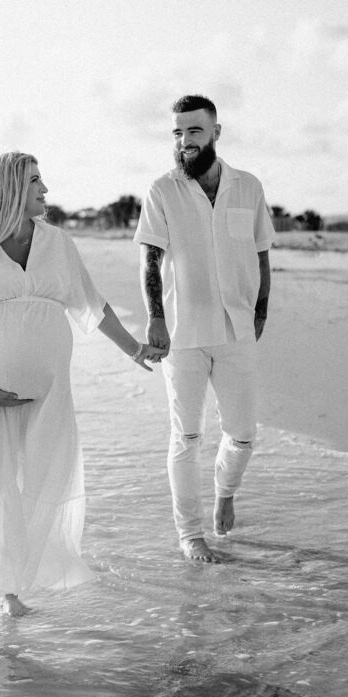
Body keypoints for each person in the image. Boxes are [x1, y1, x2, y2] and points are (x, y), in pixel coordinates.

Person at [0, 151, 163, 661]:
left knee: (31, 486)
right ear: (12, 187)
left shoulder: (57, 243)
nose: (46, 188)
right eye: (36, 180)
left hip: (47, 392)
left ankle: (11, 591)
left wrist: (133, 350)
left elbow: (90, 305)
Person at [134, 94, 274, 564]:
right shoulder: (162, 190)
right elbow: (150, 258)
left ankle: (226, 491)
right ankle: (190, 535)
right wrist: (155, 316)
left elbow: (261, 252)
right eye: (177, 132)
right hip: (183, 335)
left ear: (216, 131)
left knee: (244, 436)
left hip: (237, 331)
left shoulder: (248, 187)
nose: (184, 141)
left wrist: (261, 310)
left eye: (193, 131)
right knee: (186, 438)